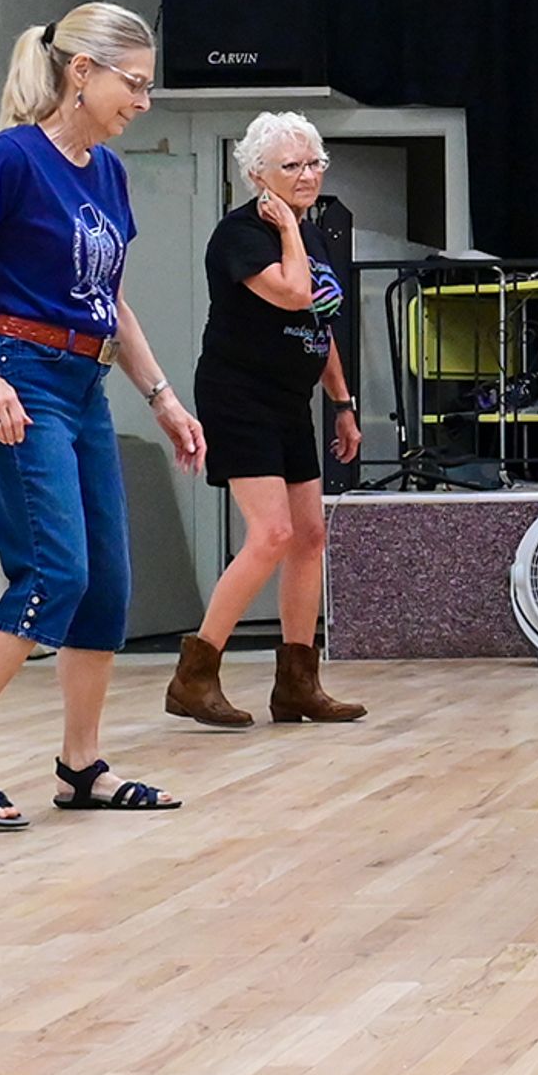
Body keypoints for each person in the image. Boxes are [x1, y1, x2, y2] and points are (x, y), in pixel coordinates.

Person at [0, 3, 206, 827]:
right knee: (54, 572)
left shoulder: (105, 172)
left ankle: (81, 766)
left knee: (106, 583)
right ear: (82, 71)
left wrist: (163, 396)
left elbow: (111, 301)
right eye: (133, 84)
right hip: (16, 372)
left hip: (83, 381)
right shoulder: (9, 159)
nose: (142, 101)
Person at [171, 110, 366, 730]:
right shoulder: (242, 234)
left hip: (290, 399)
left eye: (315, 163)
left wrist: (342, 403)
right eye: (292, 166)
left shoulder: (310, 233)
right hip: (238, 395)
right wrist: (287, 231)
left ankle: (297, 685)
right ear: (258, 174)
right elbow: (292, 294)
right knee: (272, 535)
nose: (308, 175)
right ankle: (193, 676)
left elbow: (321, 323)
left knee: (310, 535)